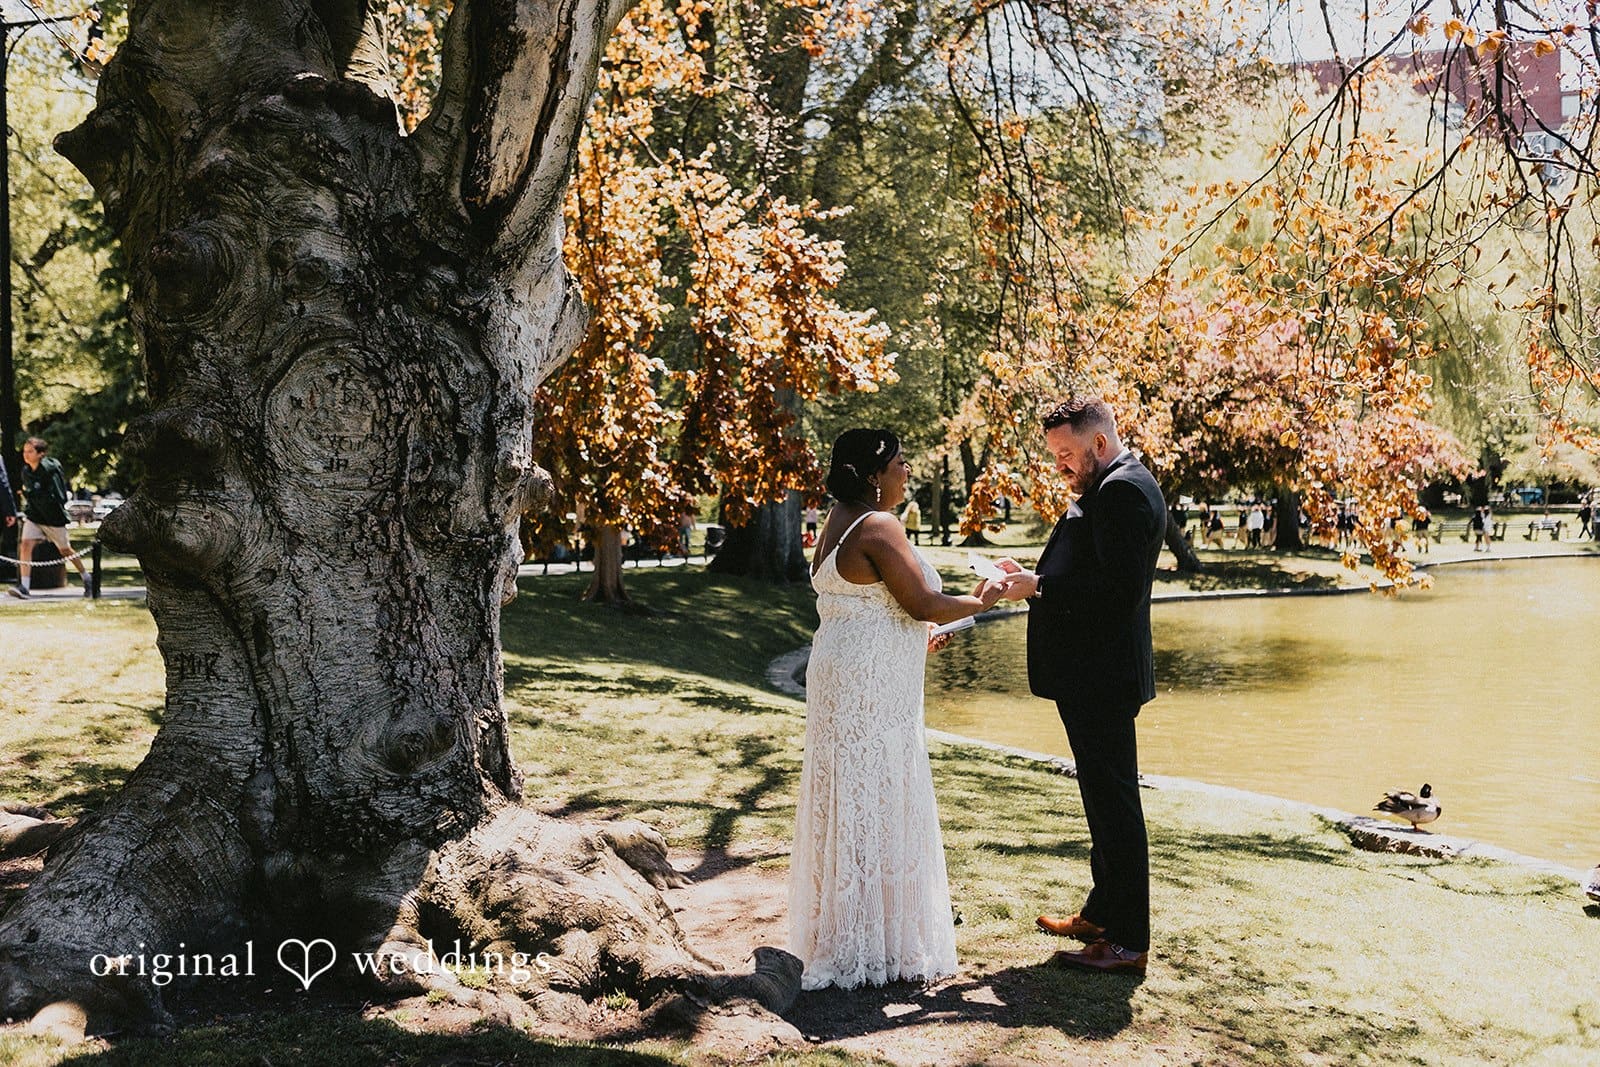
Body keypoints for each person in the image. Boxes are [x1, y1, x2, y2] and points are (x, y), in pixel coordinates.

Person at [789, 428, 1005, 990]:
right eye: (900, 464)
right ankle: (870, 943)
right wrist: (986, 599)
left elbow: (871, 610)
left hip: (843, 670)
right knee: (879, 790)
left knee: (851, 790)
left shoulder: (835, 522)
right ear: (872, 474)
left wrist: (918, 638)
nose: (907, 473)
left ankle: (846, 928)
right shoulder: (879, 525)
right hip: (867, 686)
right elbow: (921, 602)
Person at [991, 397, 1165, 975]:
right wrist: (1032, 576)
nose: (1060, 465)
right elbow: (1088, 570)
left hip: (1103, 675)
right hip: (1090, 673)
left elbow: (1114, 596)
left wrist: (1038, 587)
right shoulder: (1109, 484)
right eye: (1054, 455)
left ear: (1098, 442)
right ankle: (1101, 912)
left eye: (1066, 454)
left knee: (1116, 804)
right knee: (1100, 798)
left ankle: (1128, 943)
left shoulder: (1123, 490)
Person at [11, 438, 91, 598]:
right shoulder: (26, 471)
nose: (25, 455)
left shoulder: (50, 470)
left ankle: (87, 577)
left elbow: (58, 497)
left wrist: (31, 493)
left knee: (65, 550)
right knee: (25, 545)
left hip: (53, 518)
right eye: (24, 451)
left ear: (41, 454)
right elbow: (32, 495)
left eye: (30, 451)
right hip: (35, 516)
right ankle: (24, 587)